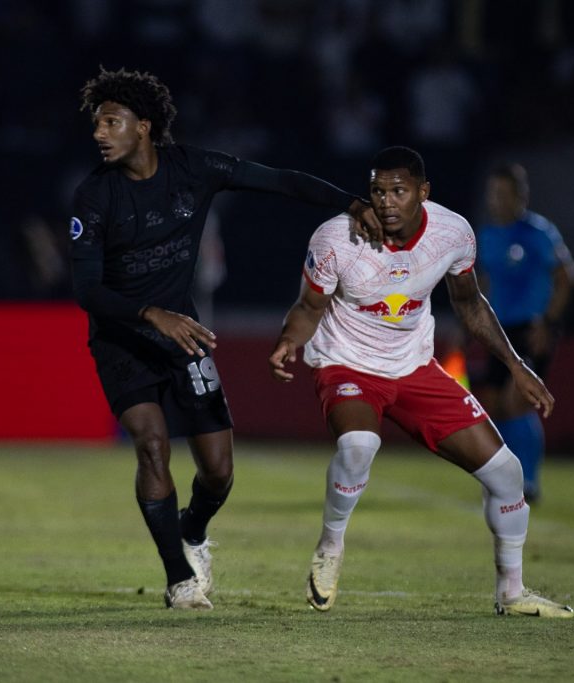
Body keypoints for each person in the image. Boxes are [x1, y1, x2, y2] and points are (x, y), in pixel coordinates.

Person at [70, 66, 382, 610]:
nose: (100, 133)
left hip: (183, 335)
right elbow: (86, 289)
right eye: (97, 124)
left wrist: (351, 202)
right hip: (122, 338)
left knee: (218, 470)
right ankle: (179, 579)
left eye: (112, 122)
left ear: (143, 127)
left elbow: (282, 180)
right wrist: (150, 314)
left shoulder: (193, 168)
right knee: (152, 444)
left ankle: (192, 533)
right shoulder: (95, 197)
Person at [268, 146, 574, 618]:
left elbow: (470, 303)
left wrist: (515, 364)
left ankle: (511, 593)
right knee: (358, 447)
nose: (386, 201)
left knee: (507, 475)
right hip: (347, 364)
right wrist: (290, 340)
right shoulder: (336, 238)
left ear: (423, 193)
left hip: (413, 367)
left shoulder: (453, 232)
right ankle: (331, 545)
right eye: (377, 191)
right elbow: (309, 307)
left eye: (398, 191)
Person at [473, 164, 574, 503]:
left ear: (522, 197)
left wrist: (548, 322)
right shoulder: (488, 236)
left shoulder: (538, 232)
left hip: (531, 328)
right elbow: (484, 284)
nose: (498, 201)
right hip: (498, 330)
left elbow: (567, 278)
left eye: (504, 194)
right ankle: (504, 481)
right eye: (494, 194)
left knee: (516, 403)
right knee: (493, 405)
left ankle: (529, 482)